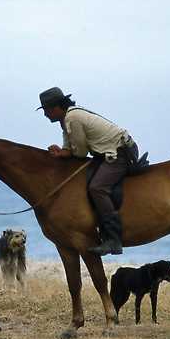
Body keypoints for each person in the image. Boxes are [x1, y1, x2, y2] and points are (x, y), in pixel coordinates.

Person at [37, 87, 139, 256]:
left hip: (119, 152)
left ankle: (113, 239)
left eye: (46, 110)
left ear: (55, 107)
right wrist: (61, 152)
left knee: (97, 188)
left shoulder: (72, 118)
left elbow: (80, 153)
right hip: (105, 153)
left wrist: (65, 153)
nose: (45, 114)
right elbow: (70, 147)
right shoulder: (66, 119)